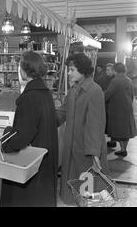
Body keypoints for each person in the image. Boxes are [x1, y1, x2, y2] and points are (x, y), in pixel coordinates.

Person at [0, 51, 58, 207]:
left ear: (24, 71)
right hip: (44, 158)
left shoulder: (29, 97)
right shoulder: (45, 93)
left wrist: (5, 137)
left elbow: (22, 135)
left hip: (30, 165)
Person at [57, 53, 109, 205]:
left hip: (86, 149)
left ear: (82, 70)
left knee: (89, 191)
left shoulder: (94, 90)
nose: (68, 73)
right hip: (72, 147)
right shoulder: (73, 90)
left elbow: (96, 124)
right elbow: (63, 112)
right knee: (75, 188)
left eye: (72, 69)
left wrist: (94, 152)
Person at [105, 62, 136, 157]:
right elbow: (131, 95)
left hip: (118, 109)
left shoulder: (115, 80)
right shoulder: (128, 80)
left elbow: (107, 94)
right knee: (126, 130)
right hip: (127, 108)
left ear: (115, 70)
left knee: (120, 130)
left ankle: (123, 150)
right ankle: (124, 149)